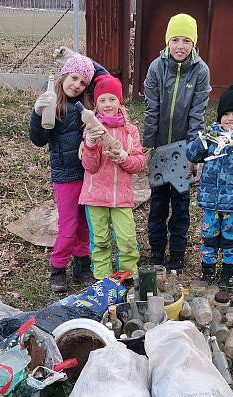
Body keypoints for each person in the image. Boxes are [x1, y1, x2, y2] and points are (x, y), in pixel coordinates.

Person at [30, 53, 108, 292]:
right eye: (74, 78)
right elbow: (39, 140)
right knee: (69, 225)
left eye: (83, 82)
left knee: (86, 223)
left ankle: (83, 264)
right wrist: (36, 113)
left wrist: (80, 58)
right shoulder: (52, 103)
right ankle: (58, 266)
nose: (77, 85)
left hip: (88, 174)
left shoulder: (86, 106)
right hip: (65, 176)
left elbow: (103, 77)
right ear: (64, 75)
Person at [142, 13, 211, 272]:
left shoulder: (200, 70)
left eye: (186, 40)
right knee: (159, 202)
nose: (180, 46)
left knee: (180, 205)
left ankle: (178, 254)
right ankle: (157, 250)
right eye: (175, 40)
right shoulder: (157, 68)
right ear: (168, 41)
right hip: (160, 148)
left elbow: (198, 113)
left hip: (183, 150)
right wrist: (149, 146)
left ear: (193, 43)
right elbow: (152, 109)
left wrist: (193, 152)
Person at [186, 85, 233, 295]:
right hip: (210, 201)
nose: (230, 118)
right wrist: (202, 140)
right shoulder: (212, 136)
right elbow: (191, 154)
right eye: (226, 114)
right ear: (219, 116)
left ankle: (228, 273)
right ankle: (207, 270)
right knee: (209, 236)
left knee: (231, 238)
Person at [78, 76, 145, 282]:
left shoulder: (130, 130)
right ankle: (103, 281)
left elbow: (139, 163)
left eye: (112, 99)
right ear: (96, 103)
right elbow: (90, 166)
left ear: (120, 101)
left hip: (121, 197)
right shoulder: (91, 129)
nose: (107, 105)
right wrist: (89, 144)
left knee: (127, 240)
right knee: (100, 241)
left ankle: (127, 278)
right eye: (102, 100)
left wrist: (124, 157)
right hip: (95, 195)